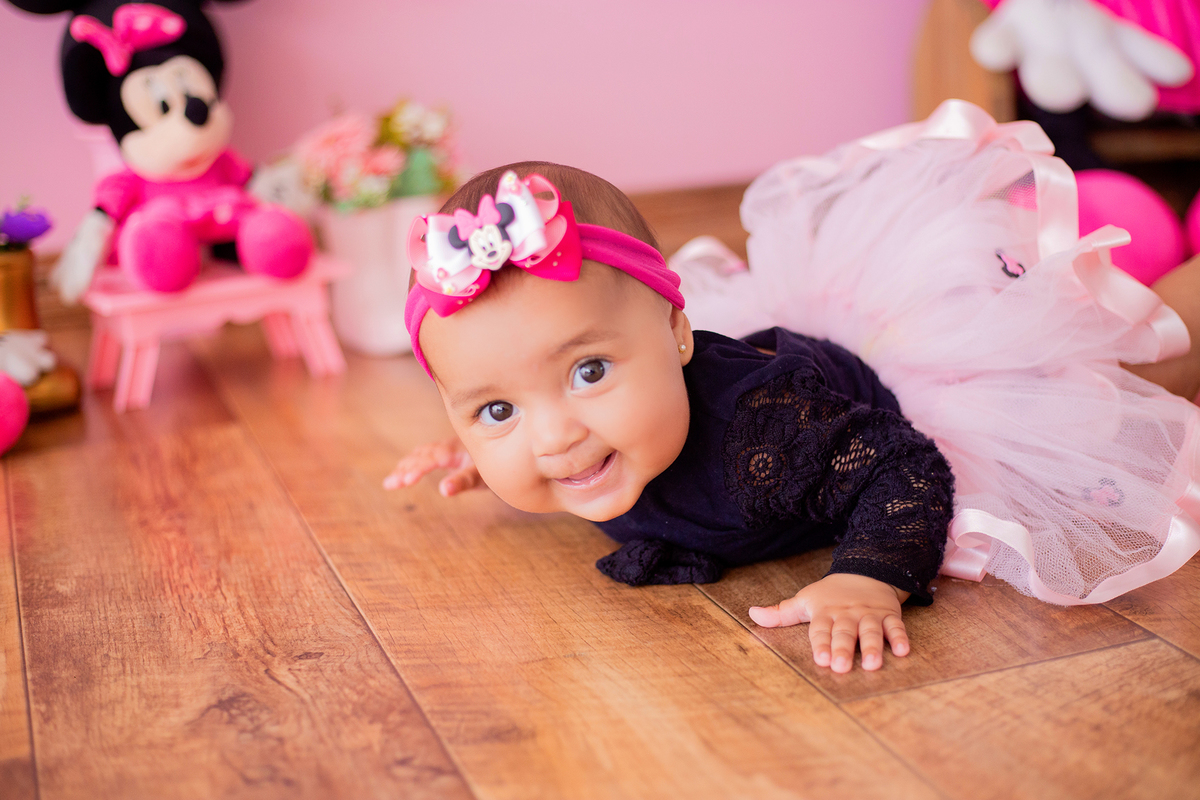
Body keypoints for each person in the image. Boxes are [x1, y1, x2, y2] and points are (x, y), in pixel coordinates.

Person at [386, 101, 1200, 674]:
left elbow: (903, 465)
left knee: (1118, 365)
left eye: (588, 371)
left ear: (676, 332)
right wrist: (483, 453)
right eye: (497, 409)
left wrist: (869, 573)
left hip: (914, 379)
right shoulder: (579, 439)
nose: (554, 437)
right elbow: (533, 419)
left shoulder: (767, 431)